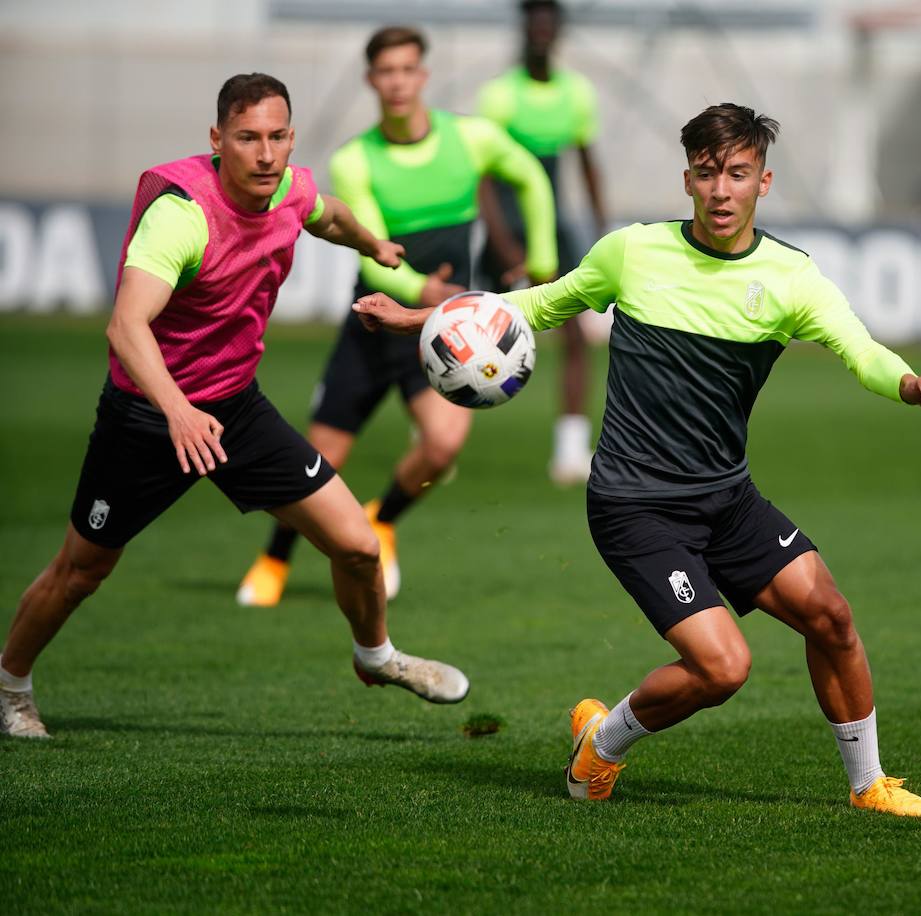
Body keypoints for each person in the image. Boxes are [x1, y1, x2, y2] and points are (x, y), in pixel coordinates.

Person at [354, 103, 921, 817]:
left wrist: (909, 383)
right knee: (724, 666)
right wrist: (424, 316)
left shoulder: (792, 279)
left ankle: (869, 787)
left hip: (727, 500)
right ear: (688, 180)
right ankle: (601, 747)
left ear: (763, 182)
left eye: (738, 174)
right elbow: (538, 305)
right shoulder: (631, 253)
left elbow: (861, 351)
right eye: (708, 174)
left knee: (831, 616)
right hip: (634, 506)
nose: (722, 190)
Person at [0, 74, 468, 740]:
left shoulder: (290, 189)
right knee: (81, 572)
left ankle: (376, 657)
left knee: (359, 548)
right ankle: (9, 683)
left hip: (237, 409)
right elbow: (126, 327)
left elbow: (327, 214)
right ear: (218, 140)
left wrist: (372, 245)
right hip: (146, 418)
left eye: (278, 137)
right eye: (247, 138)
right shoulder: (181, 215)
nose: (266, 154)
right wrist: (178, 411)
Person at [236, 26, 557, 607]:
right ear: (372, 80)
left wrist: (542, 259)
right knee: (318, 461)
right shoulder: (356, 159)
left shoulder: (471, 138)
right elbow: (376, 257)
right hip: (375, 323)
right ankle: (274, 558)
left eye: (408, 69)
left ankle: (381, 518)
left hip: (441, 332)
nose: (398, 82)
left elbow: (532, 178)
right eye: (387, 71)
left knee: (443, 445)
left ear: (423, 76)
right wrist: (420, 288)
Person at [476, 0, 607, 485]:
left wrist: (599, 229)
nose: (541, 33)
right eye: (534, 24)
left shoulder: (577, 93)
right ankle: (435, 438)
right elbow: (484, 176)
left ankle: (570, 452)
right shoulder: (500, 95)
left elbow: (587, 161)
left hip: (555, 227)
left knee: (575, 335)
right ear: (525, 29)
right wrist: (504, 244)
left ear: (558, 32)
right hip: (507, 228)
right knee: (468, 331)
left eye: (549, 24)